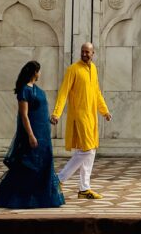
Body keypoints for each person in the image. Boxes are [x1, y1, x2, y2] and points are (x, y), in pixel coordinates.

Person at [0, 60, 65, 210]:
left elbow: (40, 111)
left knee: (44, 164)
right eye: (39, 71)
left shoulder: (37, 90)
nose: (40, 73)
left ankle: (41, 198)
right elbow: (24, 115)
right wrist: (30, 135)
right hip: (33, 134)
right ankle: (17, 198)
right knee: (28, 166)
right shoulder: (25, 90)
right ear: (34, 72)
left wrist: (50, 119)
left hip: (44, 134)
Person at [51, 42, 111, 200]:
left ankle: (84, 189)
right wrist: (56, 113)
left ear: (93, 53)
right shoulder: (73, 70)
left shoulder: (94, 69)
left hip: (92, 117)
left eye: (87, 52)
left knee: (89, 152)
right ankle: (59, 179)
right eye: (82, 52)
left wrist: (104, 110)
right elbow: (63, 93)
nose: (84, 54)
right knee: (87, 150)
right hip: (79, 116)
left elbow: (96, 92)